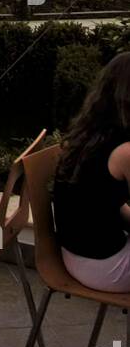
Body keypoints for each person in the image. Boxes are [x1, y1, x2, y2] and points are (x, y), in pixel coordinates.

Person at [53, 52, 130, 291]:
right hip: (104, 267)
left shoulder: (89, 136)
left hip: (76, 255)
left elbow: (103, 201)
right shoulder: (124, 151)